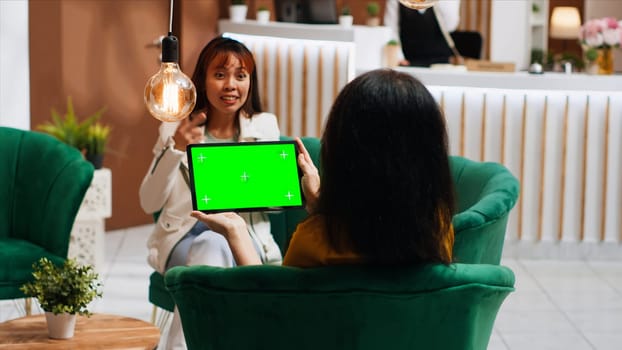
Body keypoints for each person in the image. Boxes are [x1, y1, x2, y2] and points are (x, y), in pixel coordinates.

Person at [191, 69, 455, 268]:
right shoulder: (438, 227)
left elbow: (275, 306)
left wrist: (236, 232)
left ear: (344, 154)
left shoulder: (313, 240)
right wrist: (319, 204)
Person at [139, 36, 282, 349]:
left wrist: (279, 179)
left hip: (246, 240)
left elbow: (276, 203)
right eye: (220, 75)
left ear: (250, 82)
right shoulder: (174, 127)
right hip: (183, 239)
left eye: (240, 76)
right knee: (209, 243)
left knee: (214, 247)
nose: (230, 85)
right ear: (201, 81)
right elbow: (148, 201)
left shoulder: (264, 126)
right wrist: (176, 148)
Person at [384, 0, 461, 67]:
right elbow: (391, 29)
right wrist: (399, 56)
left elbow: (451, 26)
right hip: (408, 61)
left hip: (440, 62)